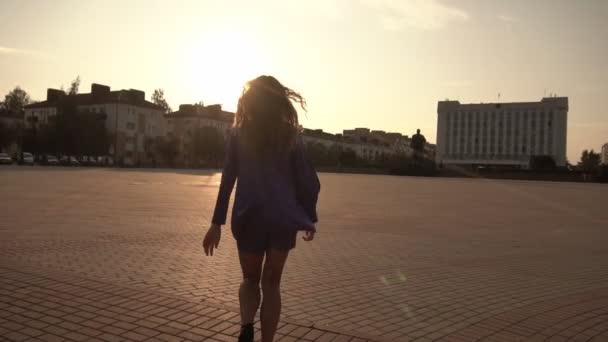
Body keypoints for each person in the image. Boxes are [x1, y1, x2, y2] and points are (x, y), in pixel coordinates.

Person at [202, 76, 320, 342]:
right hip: (282, 219)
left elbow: (228, 178)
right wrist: (308, 217)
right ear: (279, 101)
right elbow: (306, 180)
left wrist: (216, 223)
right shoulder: (291, 136)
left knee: (250, 280)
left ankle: (246, 325)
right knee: (272, 284)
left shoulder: (238, 134)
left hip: (249, 216)